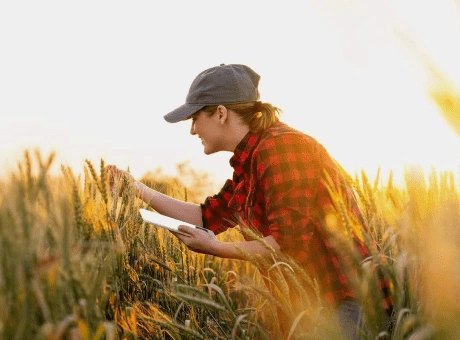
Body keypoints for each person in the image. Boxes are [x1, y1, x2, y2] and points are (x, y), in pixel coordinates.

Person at [107, 64, 392, 339]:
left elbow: (286, 242)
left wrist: (215, 249)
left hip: (348, 301)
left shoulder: (282, 148)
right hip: (315, 303)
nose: (193, 130)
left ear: (220, 113)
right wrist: (136, 188)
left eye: (195, 118)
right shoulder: (250, 161)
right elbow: (206, 217)